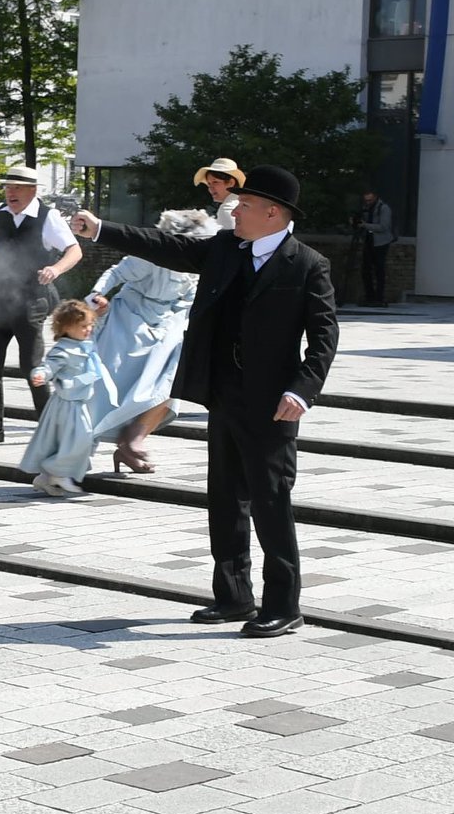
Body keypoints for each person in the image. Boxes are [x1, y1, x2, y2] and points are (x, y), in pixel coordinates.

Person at [71, 164, 339, 638]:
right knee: (224, 498)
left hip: (272, 401)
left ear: (273, 213)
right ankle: (233, 597)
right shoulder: (225, 249)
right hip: (222, 391)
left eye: (247, 205)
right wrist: (102, 229)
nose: (235, 211)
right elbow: (168, 247)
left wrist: (302, 389)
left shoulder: (307, 264)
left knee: (270, 500)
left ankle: (284, 604)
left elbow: (323, 336)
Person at [0, 165, 83, 445]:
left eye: (16, 187)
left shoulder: (48, 217)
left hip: (31, 300)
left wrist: (55, 269)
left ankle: (49, 429)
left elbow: (74, 250)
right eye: (7, 187)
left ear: (32, 190)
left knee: (32, 367)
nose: (10, 192)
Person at [89, 209, 217, 474]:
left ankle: (133, 439)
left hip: (168, 319)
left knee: (170, 377)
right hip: (130, 319)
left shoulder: (194, 264)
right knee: (108, 385)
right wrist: (96, 295)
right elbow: (115, 273)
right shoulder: (152, 255)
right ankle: (79, 448)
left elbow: (192, 296)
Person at [21, 299, 115, 496]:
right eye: (83, 326)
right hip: (68, 404)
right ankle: (57, 472)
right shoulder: (63, 350)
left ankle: (46, 478)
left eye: (90, 325)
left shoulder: (85, 343)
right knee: (82, 439)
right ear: (66, 327)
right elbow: (49, 366)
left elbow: (101, 326)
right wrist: (40, 375)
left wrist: (102, 310)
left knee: (69, 440)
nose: (88, 329)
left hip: (79, 402)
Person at [355, 187, 395, 307]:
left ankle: (379, 297)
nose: (368, 203)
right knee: (366, 270)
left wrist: (365, 225)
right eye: (366, 200)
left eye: (370, 200)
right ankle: (369, 296)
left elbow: (383, 227)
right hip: (369, 241)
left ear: (376, 198)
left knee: (379, 270)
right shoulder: (366, 208)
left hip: (381, 243)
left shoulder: (384, 208)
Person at [195, 157, 243, 232]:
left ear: (231, 183)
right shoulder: (244, 203)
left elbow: (230, 241)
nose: (210, 188)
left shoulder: (227, 208)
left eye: (215, 182)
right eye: (209, 184)